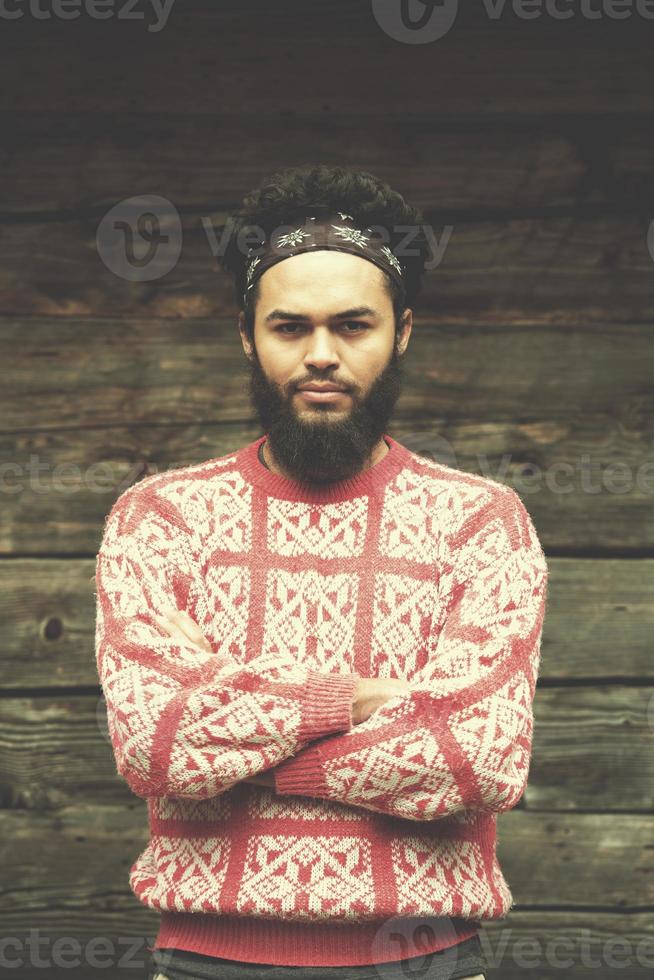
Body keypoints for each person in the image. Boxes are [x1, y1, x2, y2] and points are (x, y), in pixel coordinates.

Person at [94, 165, 548, 980]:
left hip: (427, 957)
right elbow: (155, 746)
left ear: (401, 331)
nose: (322, 356)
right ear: (246, 333)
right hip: (208, 958)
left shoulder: (483, 520)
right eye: (290, 327)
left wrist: (235, 727)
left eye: (353, 326)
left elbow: (478, 759)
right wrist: (358, 698)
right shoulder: (159, 517)